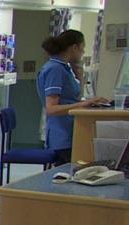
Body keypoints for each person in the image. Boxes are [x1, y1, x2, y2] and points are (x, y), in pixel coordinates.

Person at [37, 29, 108, 166]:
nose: (83, 52)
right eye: (82, 48)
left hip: (70, 131)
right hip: (62, 135)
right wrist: (85, 104)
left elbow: (74, 98)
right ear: (74, 48)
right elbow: (51, 108)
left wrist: (80, 76)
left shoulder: (64, 68)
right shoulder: (55, 69)